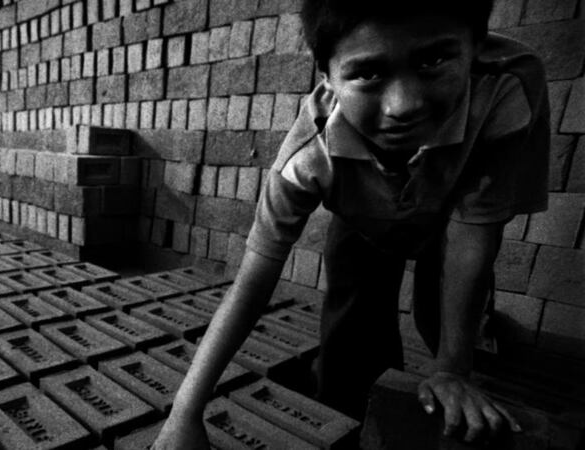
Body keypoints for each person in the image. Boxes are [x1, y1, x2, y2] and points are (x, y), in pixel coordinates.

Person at [152, 0, 550, 447]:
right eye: (368, 74)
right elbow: (251, 281)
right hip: (362, 220)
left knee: (446, 327)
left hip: (453, 216)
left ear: (476, 46)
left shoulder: (509, 89)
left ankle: (476, 346)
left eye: (434, 60)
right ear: (327, 76)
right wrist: (184, 413)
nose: (403, 105)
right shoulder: (307, 157)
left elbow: (474, 232)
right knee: (349, 348)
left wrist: (451, 369)